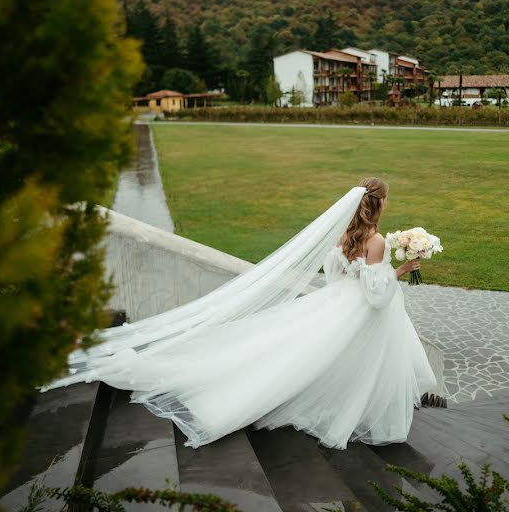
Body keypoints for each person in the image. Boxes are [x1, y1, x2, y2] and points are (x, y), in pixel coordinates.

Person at [41, 177, 437, 450]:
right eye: (386, 200)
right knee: (339, 361)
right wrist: (401, 270)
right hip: (355, 310)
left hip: (334, 303)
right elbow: (376, 296)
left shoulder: (343, 235)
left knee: (304, 355)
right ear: (379, 204)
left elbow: (334, 275)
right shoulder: (377, 241)